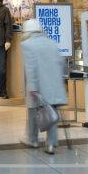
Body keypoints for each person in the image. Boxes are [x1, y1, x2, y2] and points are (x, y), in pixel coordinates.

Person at [19, 18, 67, 155]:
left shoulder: (27, 45)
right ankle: (51, 144)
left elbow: (30, 68)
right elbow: (61, 63)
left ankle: (33, 140)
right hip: (54, 85)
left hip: (38, 86)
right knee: (51, 115)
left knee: (34, 113)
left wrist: (33, 87)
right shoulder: (51, 43)